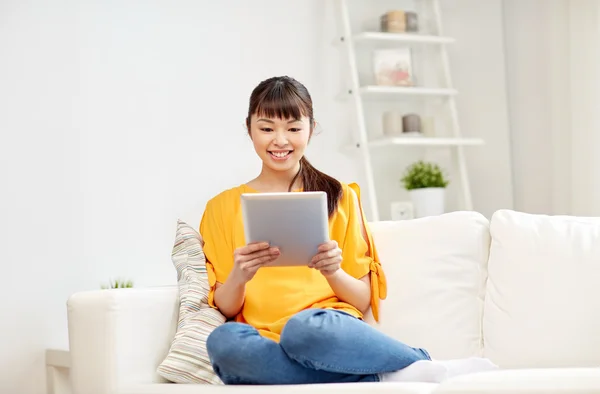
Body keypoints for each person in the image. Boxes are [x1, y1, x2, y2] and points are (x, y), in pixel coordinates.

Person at [200, 76, 497, 385]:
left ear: (311, 129)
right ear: (249, 128)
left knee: (303, 329)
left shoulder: (339, 196)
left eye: (293, 128)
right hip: (262, 341)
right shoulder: (220, 208)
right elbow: (225, 305)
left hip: (323, 330)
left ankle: (416, 363)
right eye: (266, 128)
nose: (280, 140)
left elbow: (361, 300)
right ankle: (386, 374)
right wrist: (240, 274)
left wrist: (332, 272)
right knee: (223, 342)